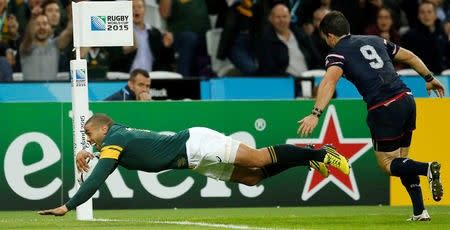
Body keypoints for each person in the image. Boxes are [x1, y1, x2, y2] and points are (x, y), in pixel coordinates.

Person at [38, 113, 350, 216]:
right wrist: (88, 151)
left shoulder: (114, 139)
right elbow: (107, 157)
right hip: (193, 161)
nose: (88, 139)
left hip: (196, 144)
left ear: (103, 129)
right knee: (252, 179)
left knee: (256, 158)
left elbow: (96, 180)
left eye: (89, 133)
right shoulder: (115, 137)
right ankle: (306, 161)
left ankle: (318, 152)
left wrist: (68, 206)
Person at [298, 11, 445, 221]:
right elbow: (410, 56)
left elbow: (329, 82)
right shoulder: (375, 40)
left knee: (387, 163)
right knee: (402, 161)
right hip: (406, 99)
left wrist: (315, 113)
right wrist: (429, 77)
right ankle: (420, 211)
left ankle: (427, 168)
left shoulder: (337, 52)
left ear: (329, 36)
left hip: (383, 107)